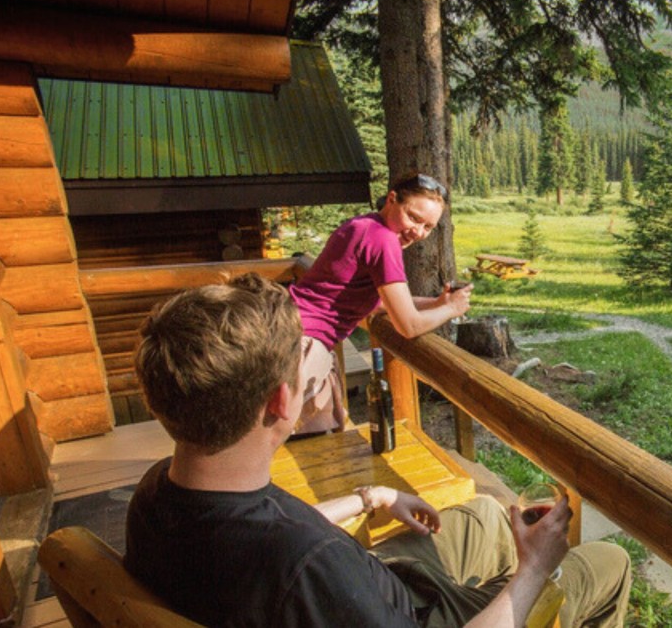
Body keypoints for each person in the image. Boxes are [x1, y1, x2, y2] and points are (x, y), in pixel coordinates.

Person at [124, 274, 631, 627]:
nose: (314, 355)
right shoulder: (304, 565)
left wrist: (372, 499)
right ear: (281, 400)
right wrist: (535, 568)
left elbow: (261, 532)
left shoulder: (158, 493)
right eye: (303, 352)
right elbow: (295, 560)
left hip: (378, 585)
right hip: (412, 612)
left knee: (484, 514)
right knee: (607, 561)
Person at [289, 173, 472, 433]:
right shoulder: (383, 240)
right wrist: (452, 308)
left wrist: (435, 303)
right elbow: (408, 326)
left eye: (428, 227)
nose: (418, 232)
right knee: (314, 446)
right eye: (414, 217)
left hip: (289, 332)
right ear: (392, 199)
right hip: (303, 347)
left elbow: (376, 303)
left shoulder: (363, 225)